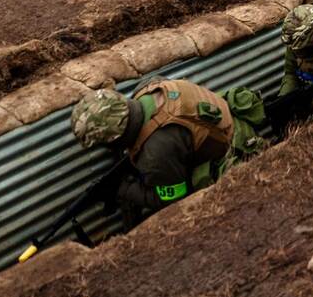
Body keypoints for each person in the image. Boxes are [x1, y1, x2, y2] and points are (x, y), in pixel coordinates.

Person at [70, 79, 267, 227]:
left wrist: (126, 190)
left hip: (237, 151)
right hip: (229, 124)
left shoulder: (155, 155)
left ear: (115, 138)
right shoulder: (149, 87)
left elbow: (174, 198)